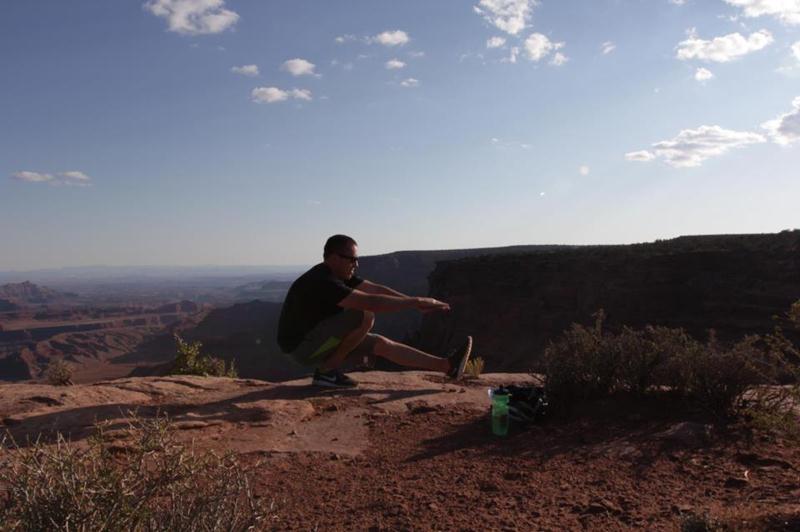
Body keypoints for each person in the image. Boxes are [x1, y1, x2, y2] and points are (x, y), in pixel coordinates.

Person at [277, 234, 472, 388]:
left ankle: (447, 366)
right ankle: (327, 373)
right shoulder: (323, 281)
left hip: (316, 341)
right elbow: (371, 302)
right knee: (363, 315)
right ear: (334, 258)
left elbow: (376, 289)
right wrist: (415, 302)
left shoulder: (338, 275)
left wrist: (415, 302)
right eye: (351, 259)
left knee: (380, 344)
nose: (356, 264)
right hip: (302, 349)